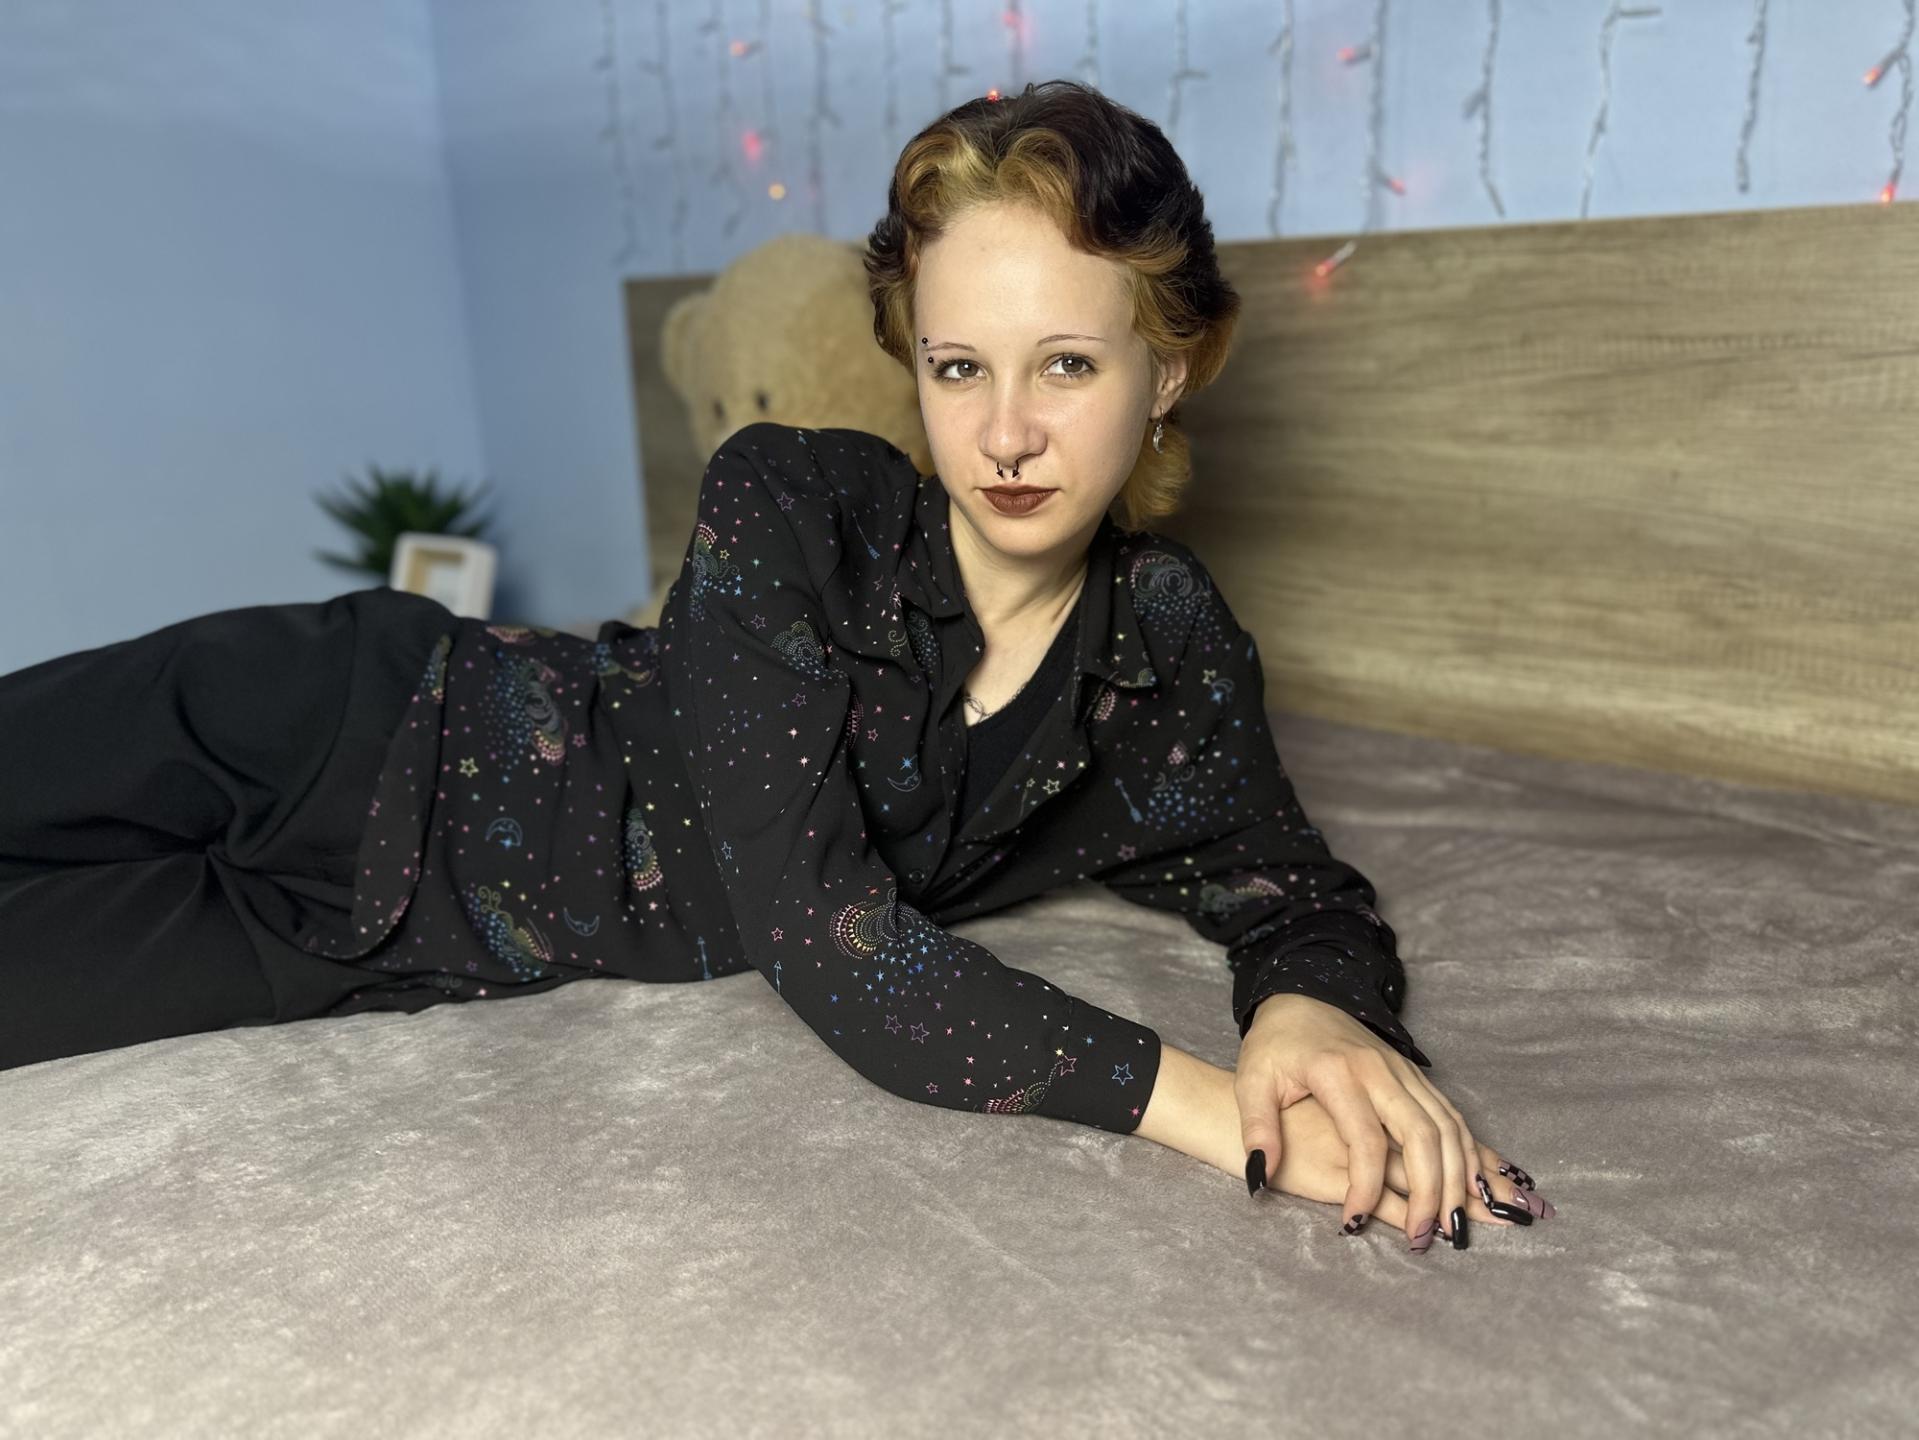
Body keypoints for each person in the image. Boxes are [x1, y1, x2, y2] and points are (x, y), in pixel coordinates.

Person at [0, 79, 1555, 1253]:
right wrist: (1229, 1117)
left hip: (368, 942)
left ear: (1172, 369)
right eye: (959, 366)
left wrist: (1313, 1017)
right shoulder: (791, 500)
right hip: (327, 718)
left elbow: (1291, 889)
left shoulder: (1166, 646)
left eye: (1068, 364)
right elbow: (828, 934)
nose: (1005, 432)